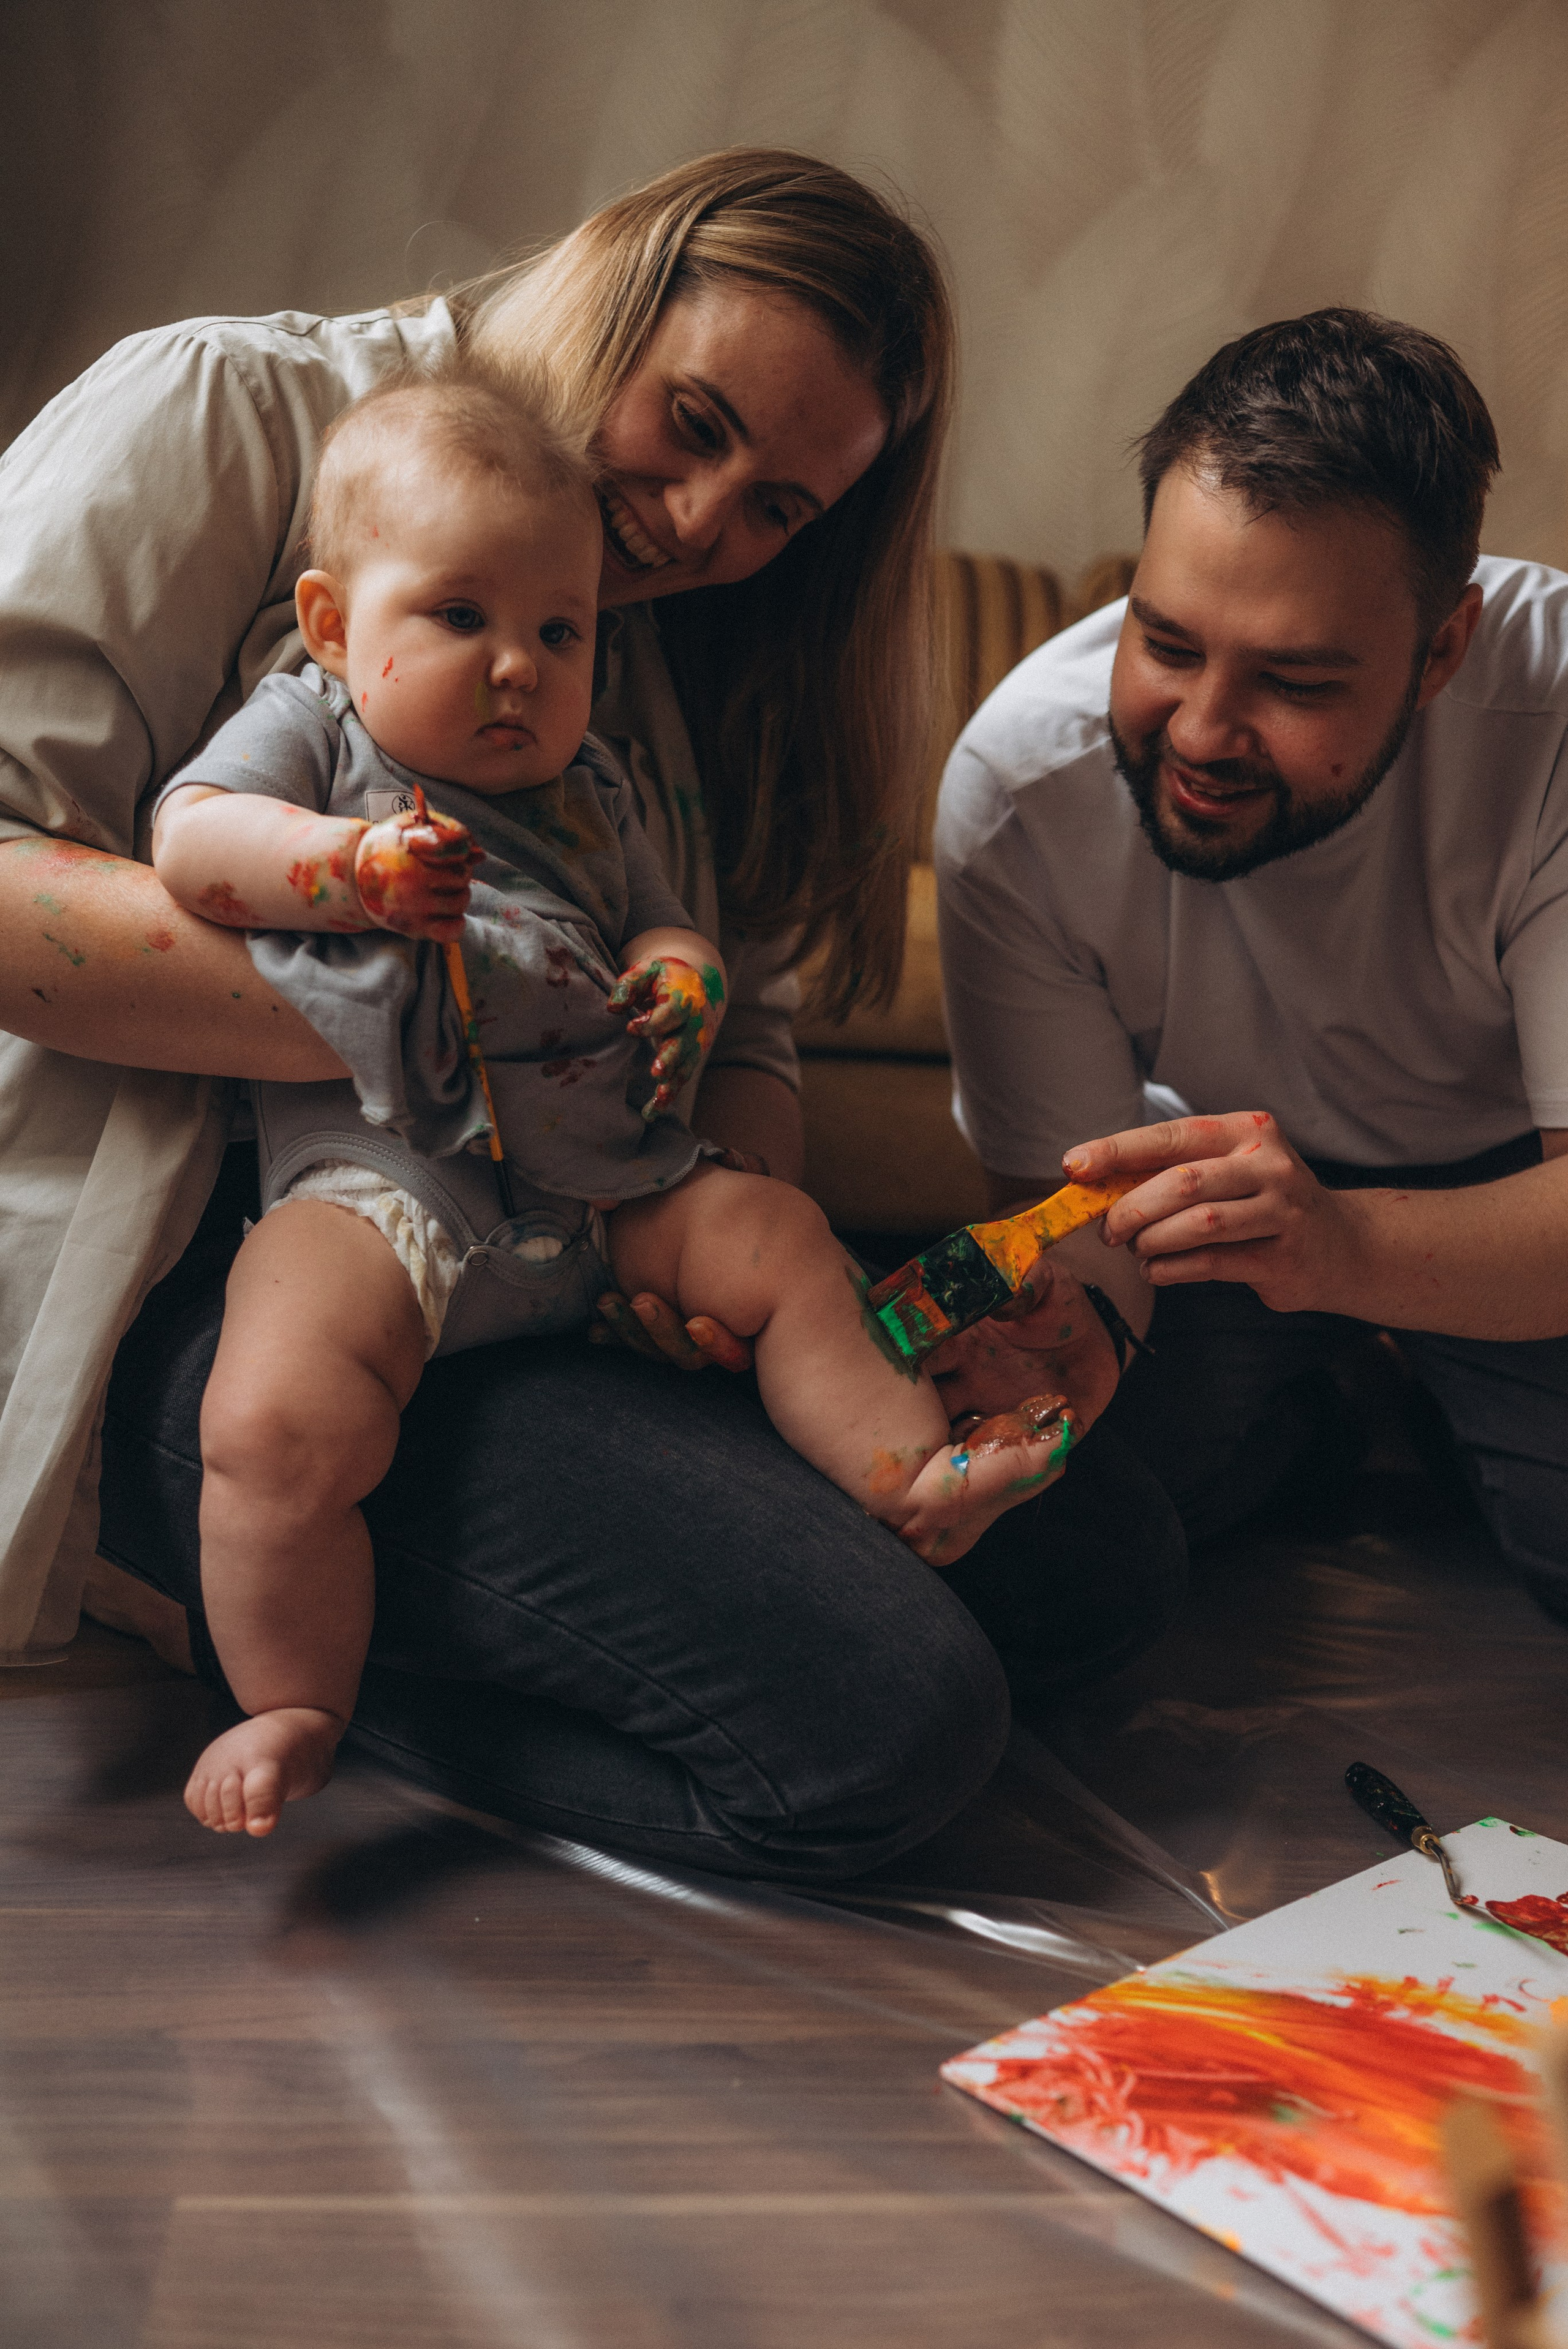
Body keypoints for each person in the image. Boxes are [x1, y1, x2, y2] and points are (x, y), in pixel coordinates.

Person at [0, 149, 1184, 1880]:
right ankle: (271, 1643)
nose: (708, 527)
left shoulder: (638, 628)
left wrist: (720, 1230)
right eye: (692, 422)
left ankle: (469, 1601)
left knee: (1108, 1558)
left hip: (559, 1238)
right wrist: (474, 989)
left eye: (781, 505)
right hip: (243, 1257)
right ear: (604, 294)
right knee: (887, 1729)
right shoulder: (233, 414)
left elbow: (742, 1012)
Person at [153, 369, 1074, 1835]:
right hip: (392, 1187)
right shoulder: (318, 731)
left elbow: (665, 924)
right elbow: (191, 845)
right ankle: (295, 1694)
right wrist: (344, 869)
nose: (518, 665)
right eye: (461, 617)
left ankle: (908, 1472)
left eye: (558, 629)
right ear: (335, 624)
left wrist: (684, 978)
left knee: (777, 1233)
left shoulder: (605, 785)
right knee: (269, 1415)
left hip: (608, 1192)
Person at [933, 307, 1568, 1618]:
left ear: (1440, 650)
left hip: (1518, 1190)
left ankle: (1445, 1405)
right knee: (1043, 1538)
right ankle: (1324, 1415)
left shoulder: (1553, 711)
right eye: (1163, 643)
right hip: (1204, 1193)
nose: (1202, 732)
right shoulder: (1013, 785)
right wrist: (1069, 1329)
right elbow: (1060, 1205)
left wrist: (1340, 1247)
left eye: (1292, 679)